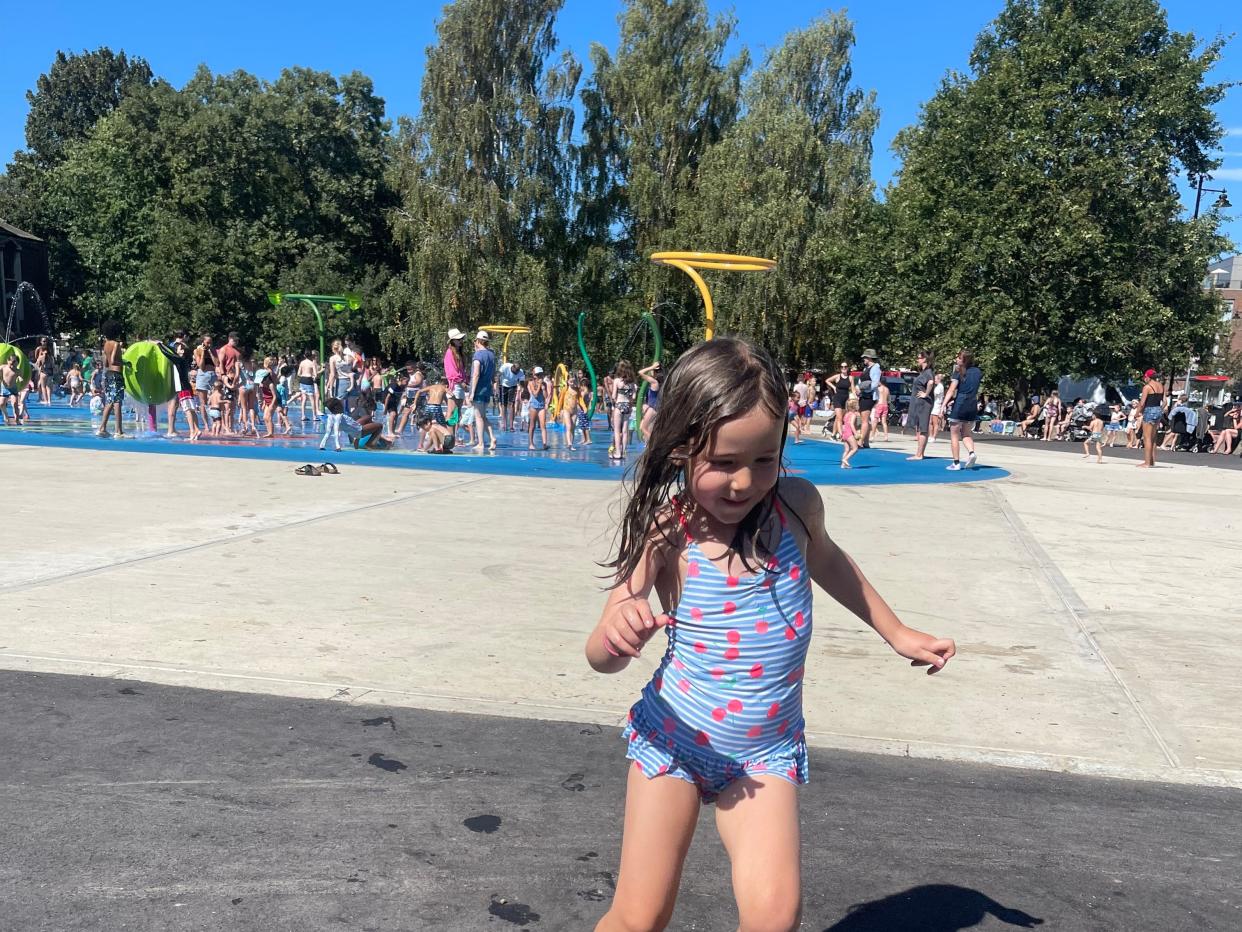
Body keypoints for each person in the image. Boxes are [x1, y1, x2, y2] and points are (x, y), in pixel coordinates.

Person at [584, 337, 955, 932]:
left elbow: (830, 562)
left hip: (764, 751)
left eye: (763, 460)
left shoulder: (798, 507)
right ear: (680, 448)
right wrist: (615, 633)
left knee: (775, 917)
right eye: (724, 462)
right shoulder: (668, 531)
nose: (743, 482)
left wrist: (897, 632)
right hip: (675, 738)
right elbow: (600, 653)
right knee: (640, 915)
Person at [939, 350, 981, 471]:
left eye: (958, 358)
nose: (956, 359)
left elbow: (951, 390)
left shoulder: (958, 372)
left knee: (954, 435)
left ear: (964, 360)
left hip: (960, 404)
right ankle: (971, 453)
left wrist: (944, 404)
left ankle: (956, 463)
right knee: (967, 433)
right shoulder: (978, 372)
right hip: (972, 404)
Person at [468, 330, 497, 451]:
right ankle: (492, 438)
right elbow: (493, 374)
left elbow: (476, 374)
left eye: (475, 341)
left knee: (478, 417)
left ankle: (480, 443)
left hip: (479, 390)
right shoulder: (491, 355)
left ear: (478, 341)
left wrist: (472, 392)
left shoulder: (478, 356)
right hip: (487, 389)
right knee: (483, 416)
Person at [98, 322, 126, 439]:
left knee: (109, 401)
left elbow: (105, 363)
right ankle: (118, 431)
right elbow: (114, 360)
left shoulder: (105, 345)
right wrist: (125, 363)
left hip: (108, 374)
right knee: (117, 402)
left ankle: (102, 428)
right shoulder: (116, 344)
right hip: (116, 374)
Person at [906, 351, 935, 460]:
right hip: (919, 403)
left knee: (923, 428)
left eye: (918, 358)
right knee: (920, 427)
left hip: (924, 403)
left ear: (924, 359)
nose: (917, 360)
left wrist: (926, 394)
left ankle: (919, 454)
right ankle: (919, 453)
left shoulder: (928, 372)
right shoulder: (923, 372)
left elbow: (931, 382)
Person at [1137, 368, 1164, 468]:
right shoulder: (1161, 385)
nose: (1144, 379)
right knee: (1153, 438)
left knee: (1147, 438)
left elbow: (1142, 403)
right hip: (1158, 410)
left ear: (1148, 377)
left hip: (1149, 410)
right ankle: (1152, 461)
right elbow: (1164, 401)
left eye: (1145, 377)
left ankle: (1147, 463)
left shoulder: (1147, 387)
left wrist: (1137, 413)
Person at [611, 360, 637, 460]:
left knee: (617, 431)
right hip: (627, 406)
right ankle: (624, 451)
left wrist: (616, 400)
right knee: (625, 430)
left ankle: (618, 452)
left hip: (619, 405)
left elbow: (613, 396)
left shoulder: (617, 381)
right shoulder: (632, 383)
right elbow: (633, 397)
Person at [856, 350, 881, 448]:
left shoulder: (875, 368)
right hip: (864, 395)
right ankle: (866, 442)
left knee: (865, 420)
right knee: (864, 419)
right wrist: (859, 388)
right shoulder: (866, 368)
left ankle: (860, 441)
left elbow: (874, 383)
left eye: (865, 357)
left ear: (870, 358)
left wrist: (863, 388)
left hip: (869, 396)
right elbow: (861, 380)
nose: (863, 359)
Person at [444, 328, 468, 422]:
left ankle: (453, 434)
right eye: (458, 339)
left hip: (460, 385)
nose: (461, 341)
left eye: (461, 339)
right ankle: (448, 435)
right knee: (452, 412)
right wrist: (461, 382)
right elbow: (451, 372)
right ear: (453, 341)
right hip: (455, 385)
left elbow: (461, 371)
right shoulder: (450, 353)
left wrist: (465, 381)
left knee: (457, 412)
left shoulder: (458, 353)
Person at [824, 362, 851, 440]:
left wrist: (855, 397)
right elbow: (827, 380)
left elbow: (852, 388)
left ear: (847, 368)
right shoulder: (837, 376)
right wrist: (834, 387)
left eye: (845, 366)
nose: (843, 368)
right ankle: (842, 435)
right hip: (837, 399)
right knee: (839, 418)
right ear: (840, 368)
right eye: (842, 366)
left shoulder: (850, 378)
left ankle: (833, 434)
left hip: (845, 400)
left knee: (839, 418)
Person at [192, 334, 218, 419]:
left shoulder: (213, 350)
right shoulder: (197, 351)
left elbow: (217, 364)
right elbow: (201, 366)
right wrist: (203, 353)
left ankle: (215, 421)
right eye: (207, 343)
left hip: (212, 375)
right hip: (203, 375)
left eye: (211, 343)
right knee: (203, 402)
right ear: (203, 342)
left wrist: (210, 352)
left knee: (215, 400)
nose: (209, 345)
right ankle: (206, 425)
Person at [638, 363, 663, 442]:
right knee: (643, 426)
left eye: (652, 370)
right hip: (655, 407)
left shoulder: (654, 382)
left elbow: (640, 372)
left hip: (652, 408)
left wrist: (651, 367)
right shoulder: (660, 382)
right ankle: (650, 443)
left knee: (643, 428)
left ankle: (655, 443)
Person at [527, 366, 549, 450]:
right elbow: (535, 394)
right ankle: (531, 443)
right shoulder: (531, 383)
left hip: (541, 406)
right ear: (534, 375)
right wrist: (539, 385)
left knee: (543, 425)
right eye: (537, 375)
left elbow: (545, 396)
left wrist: (543, 389)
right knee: (532, 425)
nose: (539, 376)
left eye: (540, 375)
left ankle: (544, 443)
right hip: (534, 406)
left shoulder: (544, 384)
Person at [499, 357, 524, 431]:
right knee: (504, 405)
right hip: (503, 385)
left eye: (517, 371)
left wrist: (522, 390)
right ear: (512, 367)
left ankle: (511, 426)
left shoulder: (521, 372)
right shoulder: (505, 366)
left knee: (512, 404)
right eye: (515, 371)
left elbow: (521, 382)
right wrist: (497, 387)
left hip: (513, 386)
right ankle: (504, 424)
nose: (516, 373)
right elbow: (498, 376)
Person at [839, 397, 861, 468]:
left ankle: (843, 465)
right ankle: (845, 459)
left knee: (846, 449)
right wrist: (856, 433)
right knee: (855, 448)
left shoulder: (846, 414)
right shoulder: (853, 415)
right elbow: (851, 424)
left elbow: (844, 423)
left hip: (845, 433)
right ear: (855, 406)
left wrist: (842, 433)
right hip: (849, 433)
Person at [929, 373, 945, 442]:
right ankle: (930, 435)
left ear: (938, 379)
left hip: (937, 405)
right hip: (933, 405)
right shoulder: (937, 386)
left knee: (935, 422)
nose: (934, 380)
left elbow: (934, 395)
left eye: (935, 379)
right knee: (930, 422)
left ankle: (934, 437)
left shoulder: (940, 386)